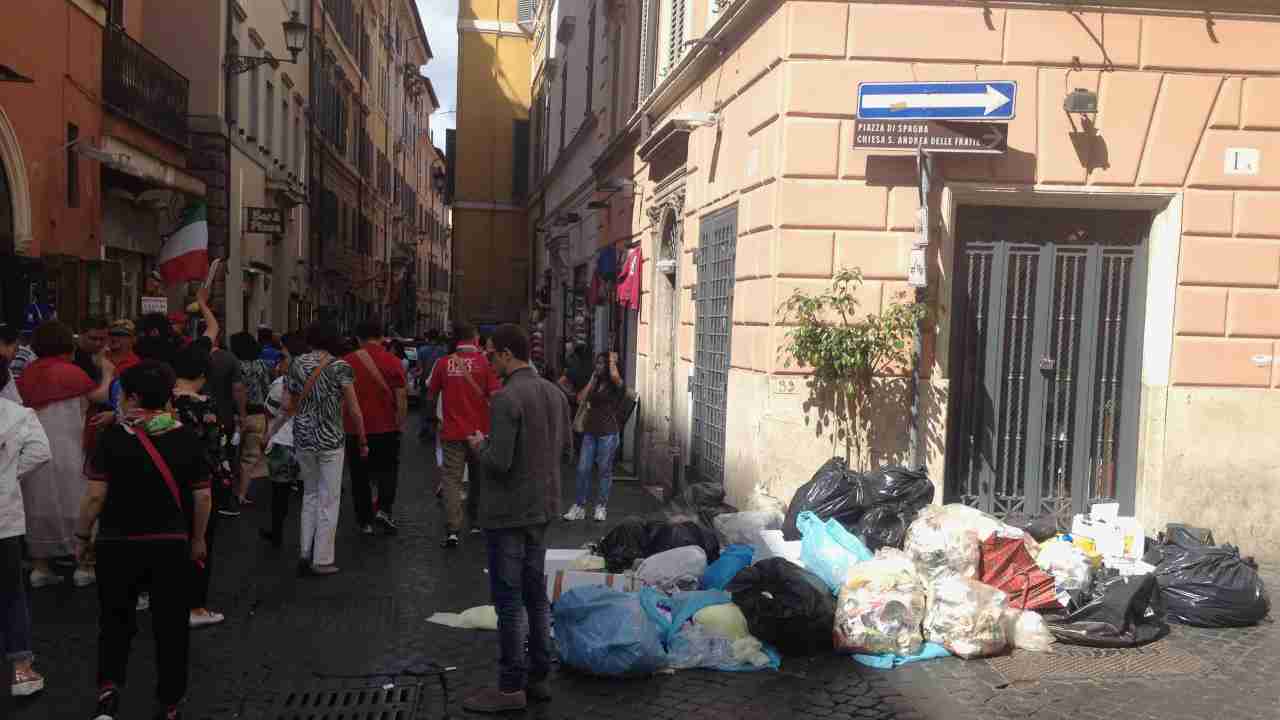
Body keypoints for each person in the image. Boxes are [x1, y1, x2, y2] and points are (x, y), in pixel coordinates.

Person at [76, 362, 211, 720]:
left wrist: (81, 535)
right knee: (171, 626)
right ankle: (169, 702)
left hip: (116, 543)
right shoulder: (185, 437)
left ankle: (108, 691)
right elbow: (202, 496)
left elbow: (94, 497)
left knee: (115, 621)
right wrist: (198, 539)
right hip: (170, 543)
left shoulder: (113, 437)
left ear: (133, 397)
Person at [462, 324, 571, 713]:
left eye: (491, 355)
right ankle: (538, 678)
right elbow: (565, 449)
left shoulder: (507, 398)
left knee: (509, 602)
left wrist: (479, 446)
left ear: (507, 354)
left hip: (508, 512)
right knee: (536, 597)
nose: (488, 361)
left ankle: (510, 688)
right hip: (542, 507)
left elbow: (499, 461)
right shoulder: (556, 394)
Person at [16, 321, 113, 588]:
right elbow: (100, 396)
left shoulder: (27, 374)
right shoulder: (72, 373)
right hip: (71, 448)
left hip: (35, 451)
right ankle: (84, 565)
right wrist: (107, 372)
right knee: (79, 502)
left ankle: (40, 567)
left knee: (38, 505)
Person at [274, 323, 368, 576]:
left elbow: (287, 403)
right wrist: (361, 438)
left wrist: (272, 430)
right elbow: (354, 408)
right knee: (329, 497)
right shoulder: (341, 367)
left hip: (303, 437)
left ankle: (305, 550)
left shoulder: (296, 364)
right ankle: (322, 558)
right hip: (330, 438)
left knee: (310, 495)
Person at [170, 342, 229, 630]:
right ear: (203, 373)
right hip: (200, 483)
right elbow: (215, 450)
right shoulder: (204, 405)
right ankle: (195, 605)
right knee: (200, 541)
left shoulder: (162, 401)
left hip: (165, 481)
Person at [426, 322, 501, 548]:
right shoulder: (485, 364)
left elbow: (430, 395)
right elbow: (496, 396)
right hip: (480, 433)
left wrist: (433, 421)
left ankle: (452, 529)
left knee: (451, 479)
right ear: (475, 338)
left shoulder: (443, 363)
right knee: (479, 478)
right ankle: (476, 521)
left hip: (451, 432)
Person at [0, 391, 51, 698]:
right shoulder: (17, 414)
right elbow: (40, 452)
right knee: (10, 592)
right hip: (3, 519)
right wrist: (8, 480)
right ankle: (21, 669)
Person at [343, 322, 407, 536]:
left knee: (359, 475)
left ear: (358, 338)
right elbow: (401, 397)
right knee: (388, 470)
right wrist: (400, 423)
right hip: (386, 427)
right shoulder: (394, 361)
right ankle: (384, 510)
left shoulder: (347, 362)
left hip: (354, 428)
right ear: (381, 337)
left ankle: (364, 522)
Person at [563, 352, 626, 523]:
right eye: (596, 363)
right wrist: (592, 378)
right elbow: (580, 399)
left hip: (608, 433)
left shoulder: (615, 384)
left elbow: (615, 377)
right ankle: (579, 507)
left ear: (608, 366)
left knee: (604, 471)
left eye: (601, 364)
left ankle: (601, 507)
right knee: (583, 469)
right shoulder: (595, 382)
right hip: (590, 432)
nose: (597, 366)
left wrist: (612, 361)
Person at [259, 333, 306, 547]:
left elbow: (272, 411)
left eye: (284, 356)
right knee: (311, 495)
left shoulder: (281, 383)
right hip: (308, 442)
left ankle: (277, 532)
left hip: (284, 442)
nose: (280, 362)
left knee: (280, 491)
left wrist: (267, 435)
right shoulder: (317, 376)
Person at [204, 334, 246, 517]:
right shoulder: (229, 358)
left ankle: (205, 498)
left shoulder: (195, 355)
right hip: (224, 416)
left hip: (200, 416)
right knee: (226, 458)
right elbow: (237, 388)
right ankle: (226, 500)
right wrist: (242, 414)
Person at [230, 332, 273, 507]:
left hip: (235, 415)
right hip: (257, 414)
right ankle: (242, 494)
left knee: (231, 455)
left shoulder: (234, 365)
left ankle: (229, 492)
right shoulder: (261, 365)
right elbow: (267, 388)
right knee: (249, 458)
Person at [416, 331, 448, 439]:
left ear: (427, 339)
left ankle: (424, 426)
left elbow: (419, 368)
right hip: (439, 383)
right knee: (435, 405)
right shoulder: (443, 351)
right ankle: (433, 429)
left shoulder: (422, 350)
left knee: (423, 405)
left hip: (425, 382)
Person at [0, 324, 22, 403]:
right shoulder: (4, 371)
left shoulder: (6, 370)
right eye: (15, 349)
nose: (15, 355)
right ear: (2, 344)